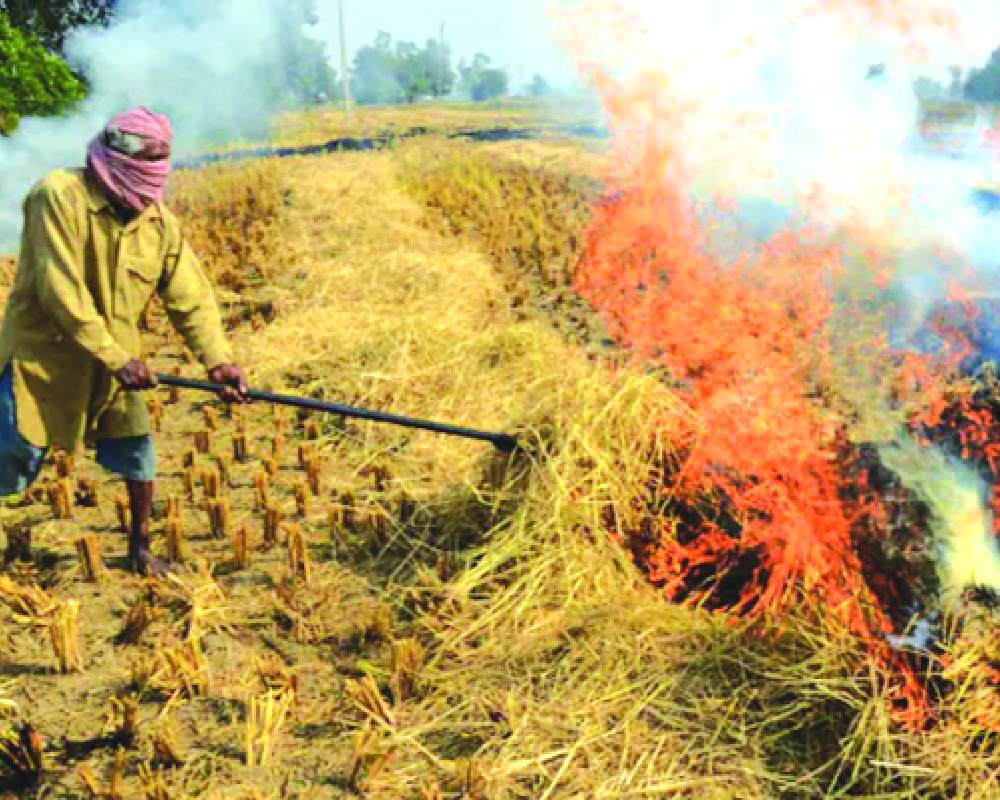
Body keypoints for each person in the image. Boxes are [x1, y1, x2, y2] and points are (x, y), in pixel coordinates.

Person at [0, 106, 249, 576]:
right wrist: (114, 356)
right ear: (111, 162)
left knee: (137, 453)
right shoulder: (57, 196)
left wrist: (218, 361)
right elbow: (60, 290)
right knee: (15, 456)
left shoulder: (158, 224)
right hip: (44, 360)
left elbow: (189, 295)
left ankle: (140, 548)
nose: (146, 192)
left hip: (115, 363)